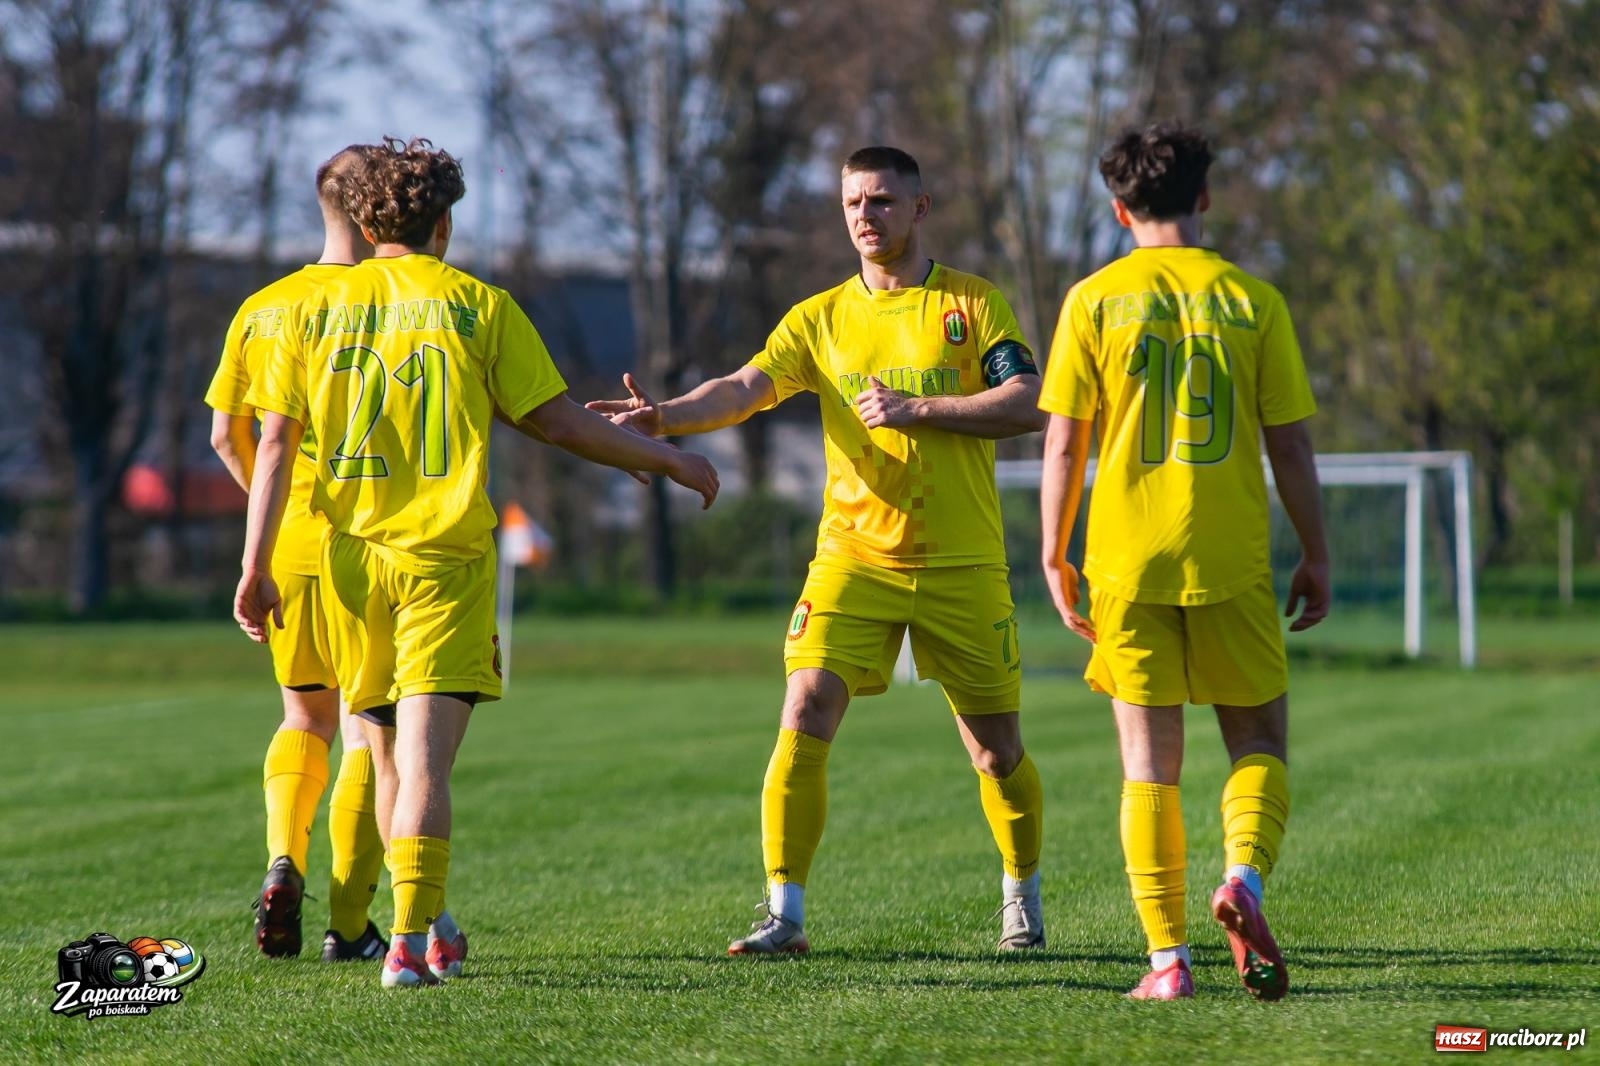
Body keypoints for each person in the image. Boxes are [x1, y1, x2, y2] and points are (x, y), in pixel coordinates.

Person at [233, 136, 720, 988]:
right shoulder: (476, 306)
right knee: (424, 760)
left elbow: (270, 442)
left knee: (385, 756)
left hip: (349, 565)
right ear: (445, 225)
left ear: (367, 223)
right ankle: (408, 943)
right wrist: (668, 458)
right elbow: (557, 420)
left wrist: (254, 563)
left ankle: (425, 927)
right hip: (443, 563)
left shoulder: (313, 310)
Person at [588, 146, 1048, 955]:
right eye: (853, 203)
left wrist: (918, 409)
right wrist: (666, 418)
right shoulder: (820, 317)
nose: (866, 216)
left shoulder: (972, 304)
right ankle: (784, 913)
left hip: (961, 561)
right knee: (803, 708)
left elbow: (1027, 400)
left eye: (882, 201)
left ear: (919, 207)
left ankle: (1022, 892)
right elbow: (744, 387)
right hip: (853, 557)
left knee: (995, 750)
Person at [1037, 121, 1331, 1001]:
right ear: (1204, 197)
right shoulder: (1253, 301)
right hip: (1229, 557)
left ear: (1119, 210)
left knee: (1147, 765)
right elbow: (1291, 446)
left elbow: (1064, 445)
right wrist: (1315, 552)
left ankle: (1168, 963)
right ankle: (1242, 878)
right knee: (1259, 742)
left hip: (1126, 562)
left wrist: (1053, 552)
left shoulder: (1093, 300)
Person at [205, 144, 389, 963]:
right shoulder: (391, 300)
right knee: (368, 731)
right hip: (374, 542)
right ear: (378, 210)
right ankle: (349, 923)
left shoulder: (265, 306)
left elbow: (226, 435)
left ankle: (285, 857)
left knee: (303, 716)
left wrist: (271, 519)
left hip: (289, 546)